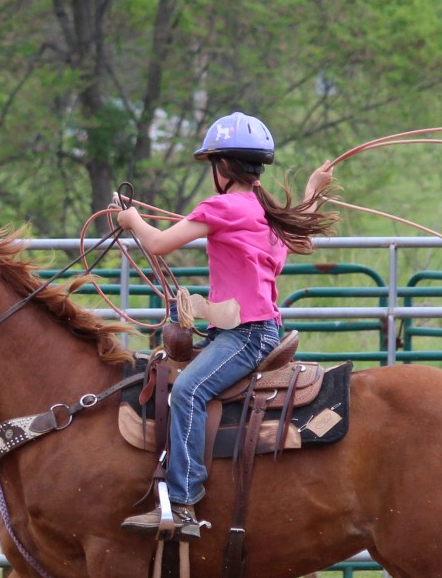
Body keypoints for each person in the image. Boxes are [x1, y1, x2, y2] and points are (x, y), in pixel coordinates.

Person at [116, 112, 337, 540]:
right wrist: (313, 189)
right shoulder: (264, 212)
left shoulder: (221, 207)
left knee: (188, 391)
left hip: (246, 335)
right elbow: (302, 236)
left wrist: (130, 221)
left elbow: (159, 244)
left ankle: (182, 502)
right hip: (251, 330)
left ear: (222, 167)